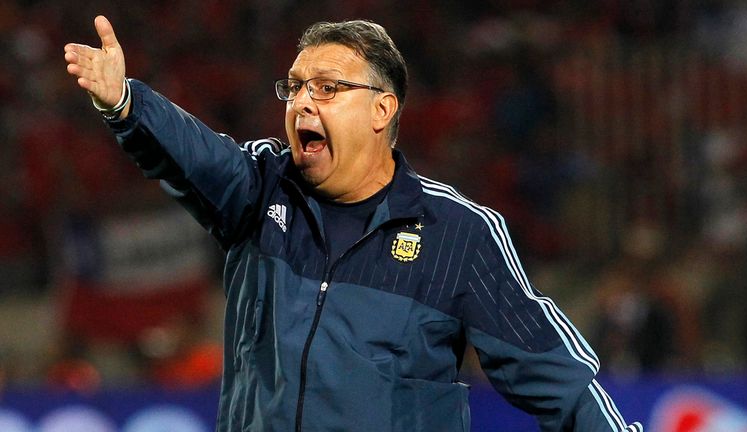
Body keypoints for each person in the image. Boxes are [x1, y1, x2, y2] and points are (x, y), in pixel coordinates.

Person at [64, 15, 643, 432]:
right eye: (294, 88)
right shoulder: (262, 187)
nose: (302, 103)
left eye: (328, 88)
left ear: (382, 110)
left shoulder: (456, 233)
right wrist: (126, 104)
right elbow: (195, 155)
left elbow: (559, 377)